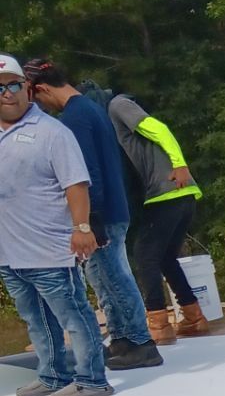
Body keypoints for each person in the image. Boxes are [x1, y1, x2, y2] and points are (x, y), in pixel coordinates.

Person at [23, 60, 161, 370]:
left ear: (42, 89)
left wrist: (88, 219)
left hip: (102, 211)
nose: (40, 107)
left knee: (114, 276)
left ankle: (141, 342)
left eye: (37, 99)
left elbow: (86, 172)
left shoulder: (75, 117)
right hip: (111, 206)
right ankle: (123, 338)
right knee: (102, 277)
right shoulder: (89, 108)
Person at [0, 53, 114, 396]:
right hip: (9, 252)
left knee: (74, 316)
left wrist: (82, 227)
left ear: (28, 89)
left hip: (50, 248)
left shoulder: (52, 132)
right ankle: (52, 374)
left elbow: (76, 185)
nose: (8, 93)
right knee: (36, 321)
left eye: (14, 85)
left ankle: (92, 378)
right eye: (0, 88)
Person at [106, 89, 208, 344]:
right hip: (181, 195)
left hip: (168, 192)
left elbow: (159, 129)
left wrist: (180, 164)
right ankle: (194, 318)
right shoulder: (115, 116)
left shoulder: (118, 105)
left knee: (145, 255)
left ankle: (158, 324)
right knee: (165, 258)